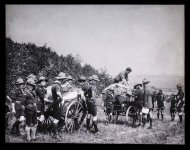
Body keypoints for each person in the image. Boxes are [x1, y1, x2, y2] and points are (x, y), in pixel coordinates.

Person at [51, 72, 68, 139]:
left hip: (54, 103)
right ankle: (55, 134)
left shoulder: (53, 85)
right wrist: (61, 98)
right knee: (56, 119)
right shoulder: (58, 85)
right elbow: (58, 93)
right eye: (63, 79)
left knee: (55, 118)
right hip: (58, 103)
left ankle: (54, 132)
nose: (64, 80)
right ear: (62, 79)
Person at [23, 78, 38, 142]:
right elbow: (23, 102)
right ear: (27, 85)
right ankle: (28, 138)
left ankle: (33, 137)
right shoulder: (25, 92)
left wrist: (36, 108)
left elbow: (35, 101)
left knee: (35, 123)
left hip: (34, 109)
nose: (31, 86)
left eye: (32, 85)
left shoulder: (33, 92)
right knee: (28, 123)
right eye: (30, 85)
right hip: (28, 109)